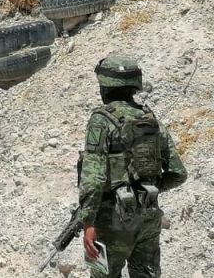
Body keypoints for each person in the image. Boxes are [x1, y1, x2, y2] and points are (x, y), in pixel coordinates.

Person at [77, 55, 187, 277]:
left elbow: (94, 178)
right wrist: (146, 188)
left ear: (104, 87)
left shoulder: (101, 120)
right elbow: (178, 173)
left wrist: (88, 223)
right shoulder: (149, 118)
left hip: (111, 222)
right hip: (149, 217)